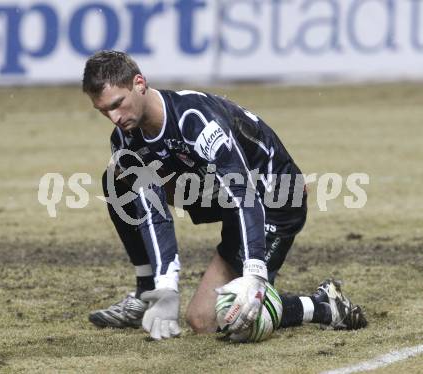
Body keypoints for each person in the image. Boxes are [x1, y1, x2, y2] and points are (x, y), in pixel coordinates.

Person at [82, 51, 366, 340]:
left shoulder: (194, 119)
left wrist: (254, 274)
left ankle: (321, 306)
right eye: (103, 111)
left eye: (118, 104)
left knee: (210, 319)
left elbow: (244, 192)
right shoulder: (125, 140)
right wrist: (166, 287)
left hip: (274, 198)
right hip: (219, 193)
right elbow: (152, 213)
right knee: (118, 176)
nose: (114, 117)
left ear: (139, 83)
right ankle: (145, 294)